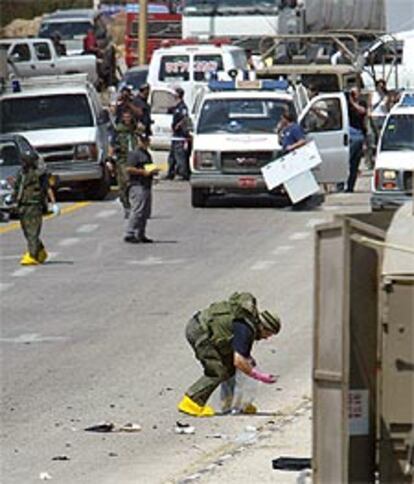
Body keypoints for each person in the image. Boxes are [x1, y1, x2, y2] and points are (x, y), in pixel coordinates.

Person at [178, 292, 281, 417]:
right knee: (217, 371)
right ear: (264, 328)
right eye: (268, 334)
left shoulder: (248, 324)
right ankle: (191, 402)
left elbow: (238, 358)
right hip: (200, 331)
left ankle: (234, 403)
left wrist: (249, 364)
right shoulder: (246, 330)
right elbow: (239, 361)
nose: (267, 338)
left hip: (200, 327)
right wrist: (258, 375)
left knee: (229, 368)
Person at [12, 152, 60, 266]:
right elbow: (18, 188)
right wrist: (13, 199)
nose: (23, 163)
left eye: (25, 161)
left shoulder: (40, 174)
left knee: (33, 232)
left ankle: (32, 255)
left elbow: (47, 188)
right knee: (27, 232)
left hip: (34, 205)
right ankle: (40, 251)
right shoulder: (21, 173)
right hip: (22, 205)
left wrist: (54, 204)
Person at [124, 135, 160, 243]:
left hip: (146, 185)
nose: (145, 143)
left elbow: (148, 166)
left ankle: (140, 233)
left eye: (147, 140)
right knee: (137, 210)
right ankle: (129, 233)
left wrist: (153, 171)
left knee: (145, 212)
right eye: (143, 141)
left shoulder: (147, 154)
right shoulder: (134, 154)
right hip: (137, 185)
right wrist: (142, 172)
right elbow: (129, 169)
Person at [111, 109, 139, 219]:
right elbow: (112, 145)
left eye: (129, 117)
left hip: (134, 158)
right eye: (125, 117)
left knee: (135, 183)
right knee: (125, 183)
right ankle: (126, 206)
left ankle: (135, 206)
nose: (127, 119)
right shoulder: (118, 130)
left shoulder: (135, 128)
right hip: (122, 159)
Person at [343, 87, 367, 193]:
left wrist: (352, 102)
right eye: (352, 93)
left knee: (354, 163)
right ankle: (341, 184)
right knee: (345, 161)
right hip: (348, 134)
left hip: (358, 134)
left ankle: (350, 186)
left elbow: (362, 111)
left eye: (355, 93)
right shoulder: (345, 104)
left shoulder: (361, 103)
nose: (353, 95)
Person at [166, 87, 191, 180]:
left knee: (179, 155)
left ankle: (183, 173)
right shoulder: (176, 106)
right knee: (172, 155)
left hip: (180, 135)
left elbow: (185, 118)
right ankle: (170, 173)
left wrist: (178, 125)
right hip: (175, 136)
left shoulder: (182, 107)